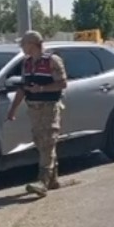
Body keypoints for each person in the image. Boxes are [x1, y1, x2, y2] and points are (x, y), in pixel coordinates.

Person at [7, 30, 68, 197]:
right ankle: (53, 179)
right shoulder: (26, 63)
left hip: (49, 106)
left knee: (48, 140)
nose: (22, 47)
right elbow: (22, 88)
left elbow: (62, 83)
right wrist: (13, 110)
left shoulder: (52, 61)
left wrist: (41, 88)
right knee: (41, 142)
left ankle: (42, 181)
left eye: (24, 44)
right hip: (33, 108)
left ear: (34, 45)